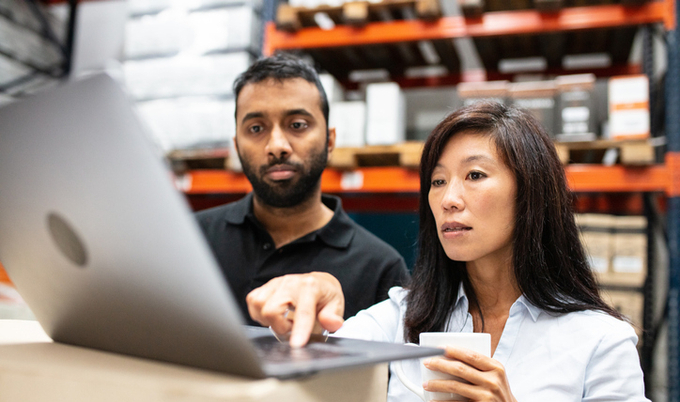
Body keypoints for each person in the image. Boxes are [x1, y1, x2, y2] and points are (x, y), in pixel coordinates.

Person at [246, 101, 650, 401]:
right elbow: (304, 357)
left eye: (474, 175)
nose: (448, 199)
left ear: (531, 195)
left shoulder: (601, 341)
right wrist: (315, 294)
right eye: (438, 181)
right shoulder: (404, 317)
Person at [196, 54, 410, 326]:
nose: (277, 145)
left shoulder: (381, 268)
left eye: (297, 125)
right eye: (256, 128)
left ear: (329, 141)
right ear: (237, 145)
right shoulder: (192, 240)